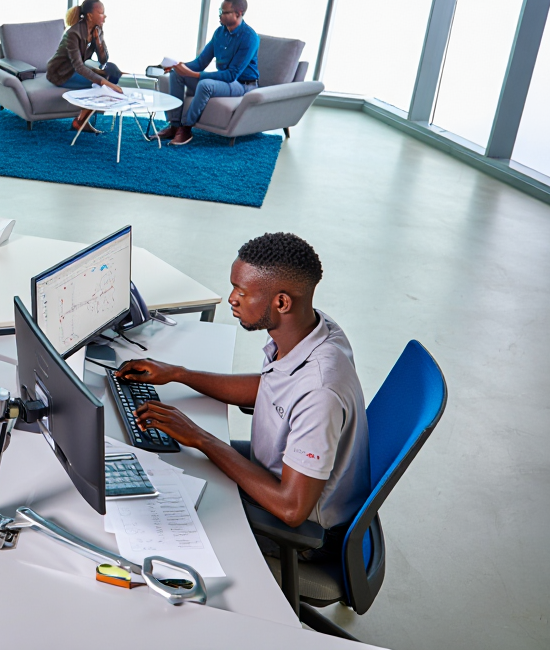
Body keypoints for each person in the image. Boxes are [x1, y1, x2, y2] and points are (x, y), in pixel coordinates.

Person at [115, 233, 369, 563]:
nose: (232, 299)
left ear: (281, 303)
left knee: (152, 516)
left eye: (242, 292)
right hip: (275, 471)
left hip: (298, 531)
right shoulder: (315, 331)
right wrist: (179, 374)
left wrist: (201, 438)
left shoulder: (320, 393)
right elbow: (272, 387)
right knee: (166, 460)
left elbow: (292, 510)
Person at [161, 0, 260, 147]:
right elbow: (200, 62)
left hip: (243, 85)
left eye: (224, 12)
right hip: (226, 81)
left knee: (205, 85)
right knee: (176, 75)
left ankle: (186, 128)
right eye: (220, 11)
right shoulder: (219, 33)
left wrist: (193, 75)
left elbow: (231, 75)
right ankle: (174, 126)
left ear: (238, 13)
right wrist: (178, 66)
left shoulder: (250, 38)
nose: (220, 15)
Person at [46, 0, 124, 133]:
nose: (105, 16)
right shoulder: (73, 33)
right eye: (101, 13)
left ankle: (81, 120)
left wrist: (98, 42)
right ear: (90, 16)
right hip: (61, 73)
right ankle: (80, 121)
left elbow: (104, 60)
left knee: (113, 73)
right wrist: (105, 82)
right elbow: (79, 66)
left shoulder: (97, 30)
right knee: (101, 84)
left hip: (76, 70)